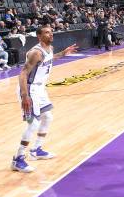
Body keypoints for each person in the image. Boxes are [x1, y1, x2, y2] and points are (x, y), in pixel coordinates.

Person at [11, 26, 78, 173]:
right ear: (39, 36)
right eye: (47, 32)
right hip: (29, 89)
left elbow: (49, 59)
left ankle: (36, 150)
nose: (51, 33)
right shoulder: (36, 52)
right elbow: (22, 74)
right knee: (33, 123)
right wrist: (24, 96)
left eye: (51, 31)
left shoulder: (49, 48)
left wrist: (63, 53)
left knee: (47, 117)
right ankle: (18, 158)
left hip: (40, 89)